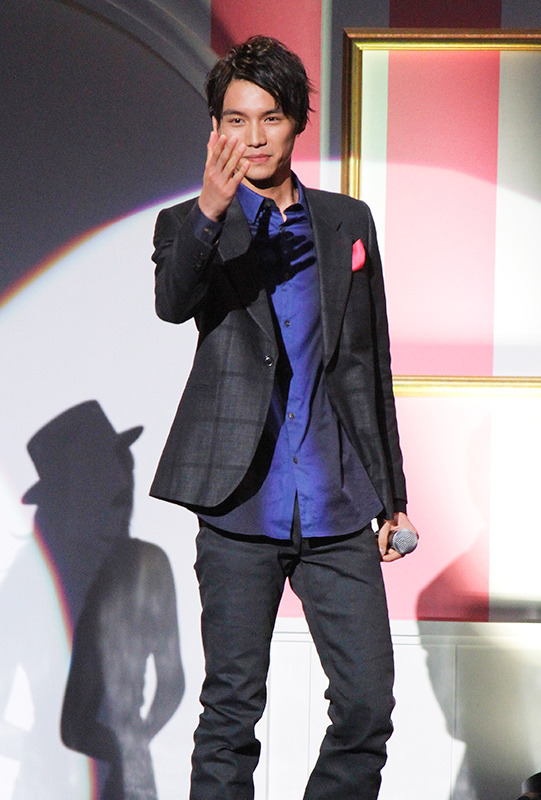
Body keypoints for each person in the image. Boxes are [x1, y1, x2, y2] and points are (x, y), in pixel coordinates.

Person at [150, 34, 418, 800]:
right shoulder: (186, 222)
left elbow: (366, 364)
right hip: (239, 504)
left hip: (335, 504)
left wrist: (391, 495)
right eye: (236, 120)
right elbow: (172, 302)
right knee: (231, 713)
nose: (254, 136)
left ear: (296, 121)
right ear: (215, 129)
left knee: (365, 705)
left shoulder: (345, 222)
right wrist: (211, 210)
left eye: (270, 117)